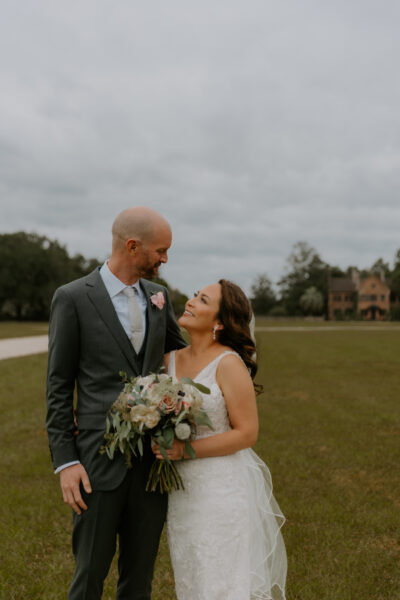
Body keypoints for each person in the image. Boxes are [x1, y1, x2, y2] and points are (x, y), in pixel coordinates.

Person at [46, 207, 186, 600]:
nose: (165, 259)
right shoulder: (72, 298)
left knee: (139, 580)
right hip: (95, 461)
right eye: (161, 250)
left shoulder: (159, 297)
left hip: (152, 463)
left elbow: (184, 354)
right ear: (132, 246)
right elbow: (58, 385)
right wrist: (66, 462)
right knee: (89, 575)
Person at [153, 279, 287, 600]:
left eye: (202, 300)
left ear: (220, 322)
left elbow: (247, 433)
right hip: (182, 493)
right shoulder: (168, 359)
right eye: (195, 295)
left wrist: (186, 450)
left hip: (221, 490)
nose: (190, 301)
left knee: (222, 584)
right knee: (192, 578)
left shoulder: (228, 363)